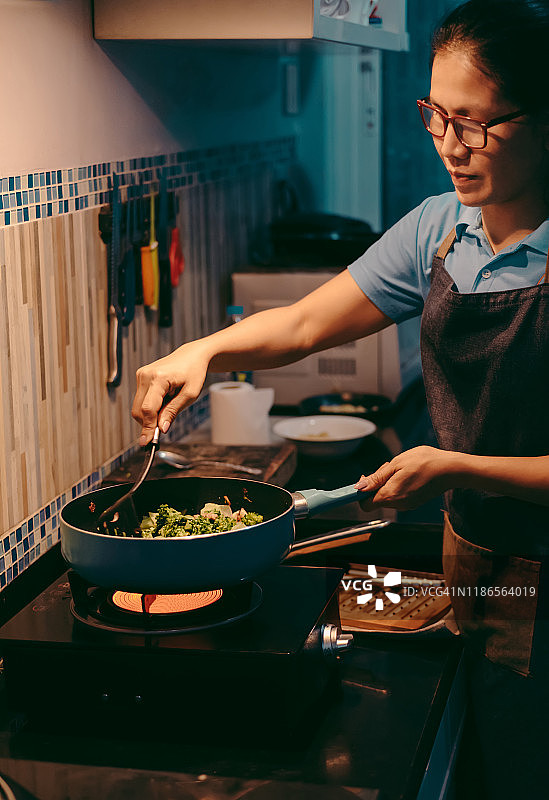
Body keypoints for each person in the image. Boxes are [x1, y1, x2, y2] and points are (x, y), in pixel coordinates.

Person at [132, 1, 549, 796]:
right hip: (475, 565)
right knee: (474, 755)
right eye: (435, 116)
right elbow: (303, 325)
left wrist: (457, 464)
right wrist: (205, 351)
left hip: (541, 579)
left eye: (475, 124)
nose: (448, 148)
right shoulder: (439, 229)